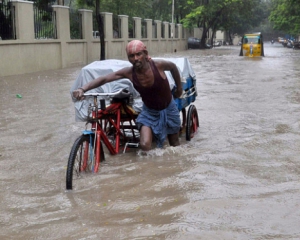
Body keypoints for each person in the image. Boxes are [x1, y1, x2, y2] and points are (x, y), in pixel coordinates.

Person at [73, 40, 183, 151]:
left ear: (145, 54)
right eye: (131, 56)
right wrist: (82, 88)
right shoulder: (129, 72)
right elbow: (105, 78)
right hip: (149, 111)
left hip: (169, 108)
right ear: (128, 58)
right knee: (144, 145)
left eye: (138, 54)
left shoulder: (158, 65)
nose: (135, 58)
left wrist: (179, 88)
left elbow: (173, 67)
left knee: (174, 143)